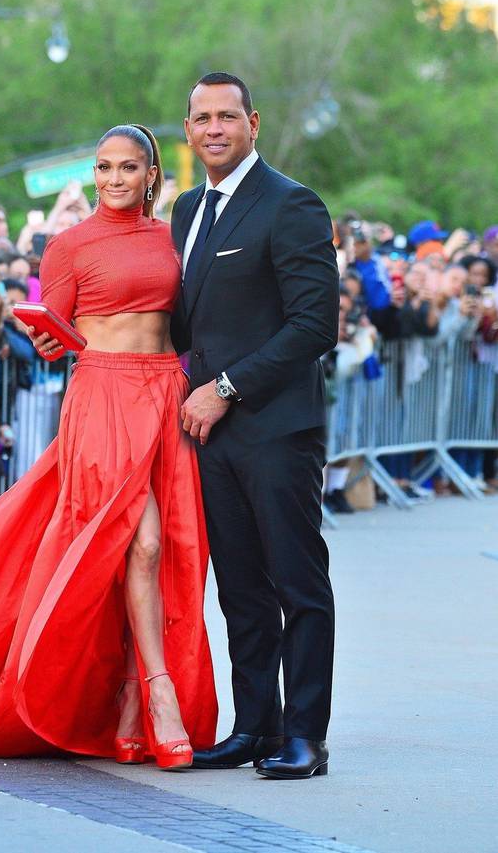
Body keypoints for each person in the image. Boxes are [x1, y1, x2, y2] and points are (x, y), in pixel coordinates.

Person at [0, 124, 216, 769]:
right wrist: (48, 339)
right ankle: (157, 694)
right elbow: (51, 327)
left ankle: (125, 703)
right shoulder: (68, 245)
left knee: (168, 549)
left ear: (151, 176)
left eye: (128, 168)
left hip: (165, 393)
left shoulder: (176, 238)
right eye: (104, 167)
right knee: (136, 540)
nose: (114, 179)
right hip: (104, 397)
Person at [171, 73, 339, 779]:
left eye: (228, 116)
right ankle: (256, 727)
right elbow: (185, 320)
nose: (215, 127)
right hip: (209, 436)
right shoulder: (185, 210)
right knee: (239, 588)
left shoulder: (291, 203)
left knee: (296, 584)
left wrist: (227, 389)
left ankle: (305, 736)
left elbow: (314, 324)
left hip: (274, 425)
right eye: (202, 117)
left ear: (253, 123)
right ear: (188, 129)